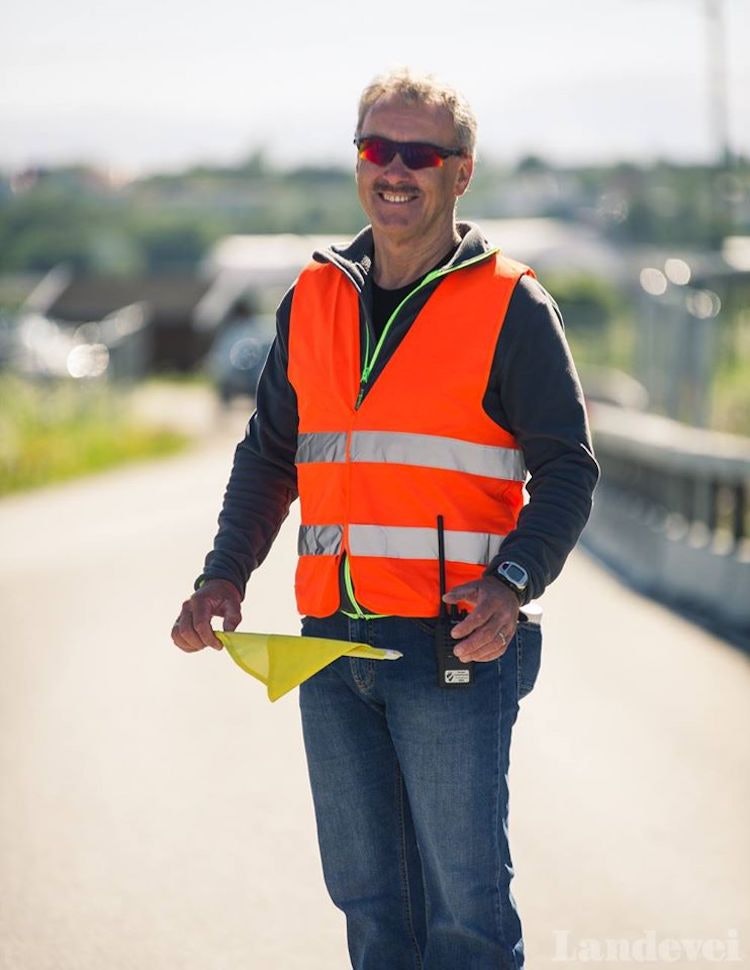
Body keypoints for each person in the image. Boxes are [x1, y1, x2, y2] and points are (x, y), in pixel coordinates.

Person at [172, 68, 599, 969]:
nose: (394, 170)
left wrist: (513, 582)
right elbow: (270, 455)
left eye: (420, 154)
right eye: (378, 149)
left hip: (451, 651)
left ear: (461, 172)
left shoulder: (510, 305)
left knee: (466, 921)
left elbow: (568, 468)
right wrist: (223, 573)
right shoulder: (314, 297)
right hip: (329, 648)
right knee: (373, 916)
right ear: (358, 160)